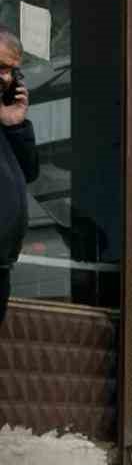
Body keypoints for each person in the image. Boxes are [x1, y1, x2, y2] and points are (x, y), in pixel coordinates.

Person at [0, 29, 34, 327]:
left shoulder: (6, 121)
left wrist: (14, 126)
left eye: (11, 71)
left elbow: (29, 172)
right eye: (0, 67)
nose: (6, 78)